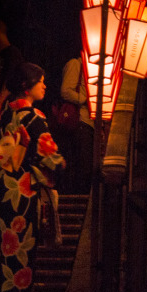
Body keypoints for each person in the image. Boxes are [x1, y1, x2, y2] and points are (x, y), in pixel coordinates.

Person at [0, 62, 65, 292]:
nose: (44, 85)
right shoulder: (34, 117)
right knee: (22, 248)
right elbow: (49, 154)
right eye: (40, 81)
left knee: (7, 246)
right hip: (23, 186)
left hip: (3, 184)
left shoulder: (5, 116)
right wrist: (62, 164)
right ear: (26, 86)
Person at [56, 55, 96, 193]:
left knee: (83, 162)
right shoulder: (76, 64)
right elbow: (65, 91)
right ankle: (74, 194)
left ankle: (77, 193)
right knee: (80, 161)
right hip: (80, 119)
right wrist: (86, 100)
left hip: (88, 121)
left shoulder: (93, 69)